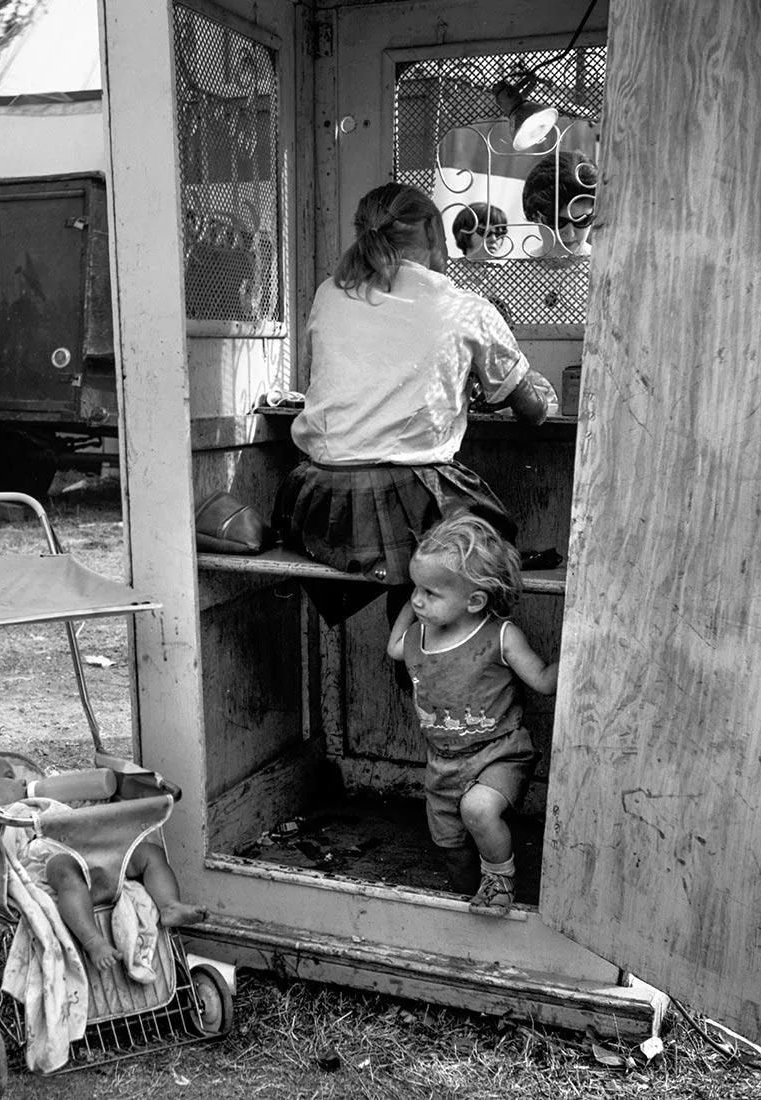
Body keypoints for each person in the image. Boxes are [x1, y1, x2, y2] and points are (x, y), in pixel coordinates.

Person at [273, 182, 550, 625]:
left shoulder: (330, 291)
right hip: (395, 509)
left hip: (315, 507)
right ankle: (442, 670)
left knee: (422, 545)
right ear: (430, 230)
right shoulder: (464, 308)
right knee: (477, 550)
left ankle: (409, 651)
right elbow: (533, 412)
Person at [387, 513, 558, 916]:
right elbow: (395, 645)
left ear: (475, 601)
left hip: (499, 753)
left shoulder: (500, 635)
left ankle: (501, 881)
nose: (416, 600)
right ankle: (482, 893)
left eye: (431, 592)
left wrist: (581, 643)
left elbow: (545, 681)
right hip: (443, 766)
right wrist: (416, 606)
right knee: (454, 858)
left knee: (478, 810)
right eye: (415, 588)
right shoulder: (417, 637)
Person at [0, 753, 207, 972]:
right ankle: (92, 940)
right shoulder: (4, 819)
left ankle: (169, 905)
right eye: (9, 779)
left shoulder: (40, 801)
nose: (24, 780)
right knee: (63, 868)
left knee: (149, 853)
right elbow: (12, 857)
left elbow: (77, 812)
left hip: (92, 850)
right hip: (52, 861)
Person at [521, 150, 597, 258]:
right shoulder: (513, 272)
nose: (570, 234)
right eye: (557, 222)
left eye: (583, 221)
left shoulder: (609, 270)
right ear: (535, 215)